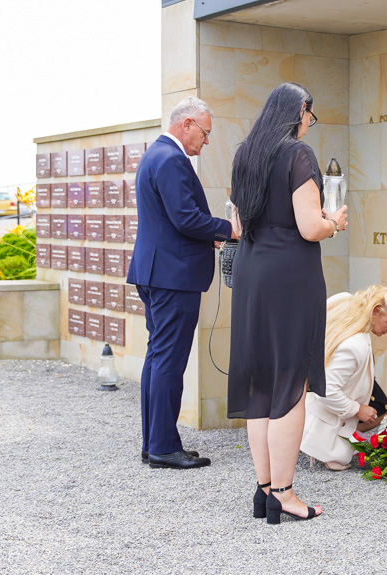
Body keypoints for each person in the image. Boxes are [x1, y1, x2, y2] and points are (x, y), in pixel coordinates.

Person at [226, 83, 348, 524]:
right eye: (310, 116)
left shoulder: (245, 153)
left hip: (252, 273)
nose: (309, 124)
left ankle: (263, 491)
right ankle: (285, 494)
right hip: (289, 278)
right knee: (291, 385)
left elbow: (237, 222)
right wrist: (335, 221)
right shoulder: (297, 155)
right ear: (300, 111)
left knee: (262, 384)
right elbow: (309, 227)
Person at [128, 96, 238, 469]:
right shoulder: (172, 159)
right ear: (186, 124)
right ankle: (162, 447)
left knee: (159, 357)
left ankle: (156, 442)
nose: (206, 142)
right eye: (205, 133)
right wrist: (229, 230)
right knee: (169, 361)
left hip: (158, 271)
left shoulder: (155, 154)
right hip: (172, 276)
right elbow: (185, 218)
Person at [300, 286, 387, 470]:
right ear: (376, 311)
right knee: (380, 409)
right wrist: (357, 409)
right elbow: (327, 389)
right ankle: (323, 440)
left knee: (380, 405)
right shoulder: (355, 345)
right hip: (318, 405)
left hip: (305, 389)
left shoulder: (345, 302)